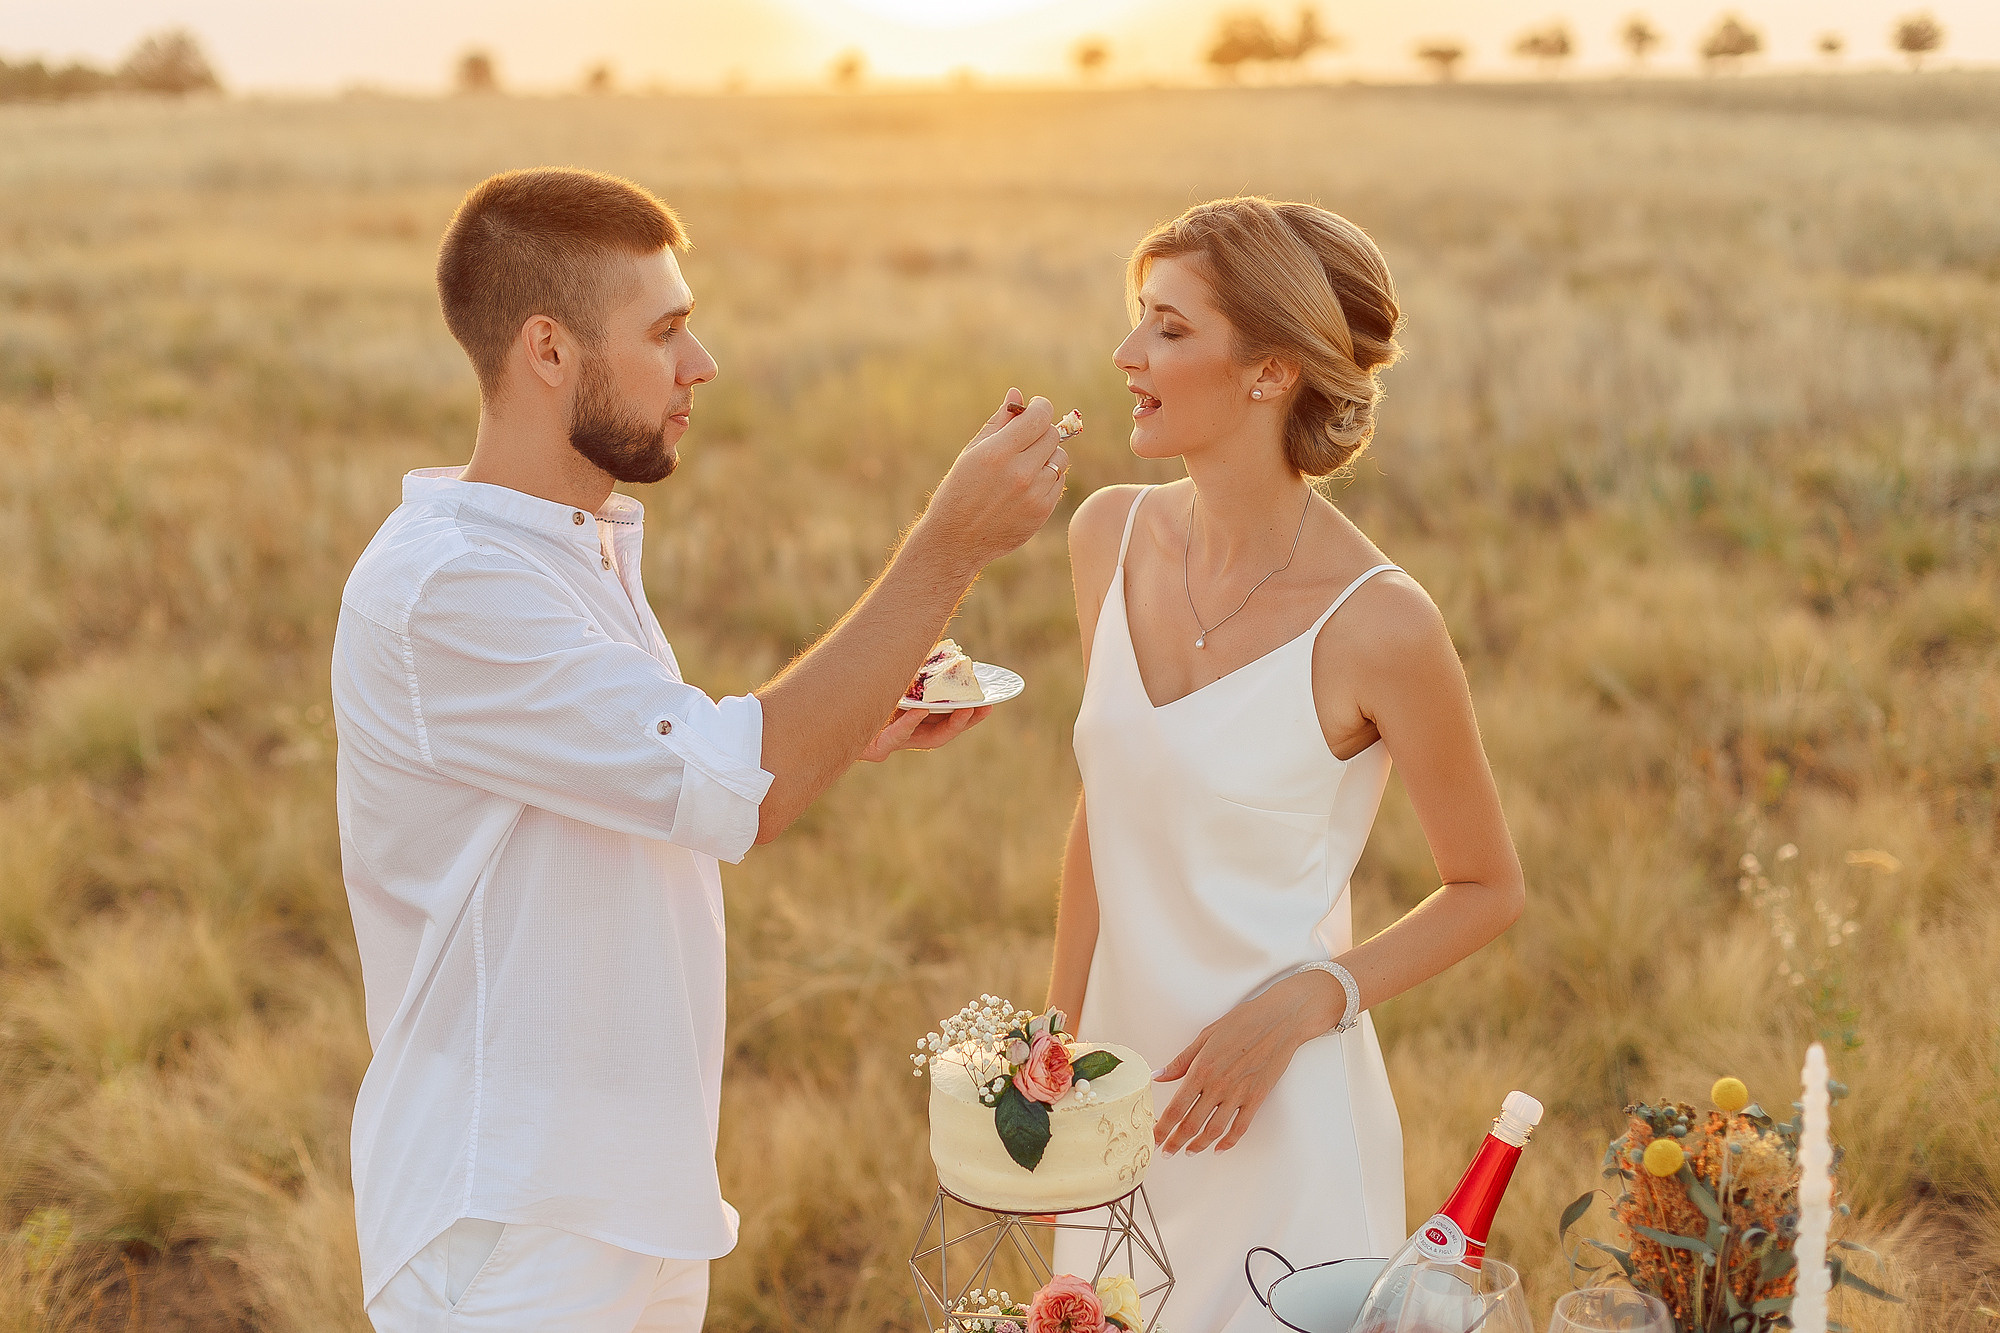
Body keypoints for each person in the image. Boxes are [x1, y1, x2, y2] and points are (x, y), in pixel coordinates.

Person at [332, 168, 1071, 1332]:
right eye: (666, 330)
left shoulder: (573, 547)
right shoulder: (451, 585)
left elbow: (667, 774)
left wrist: (849, 723)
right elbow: (742, 788)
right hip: (514, 1222)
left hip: (627, 1198)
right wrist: (949, 547)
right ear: (546, 349)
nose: (701, 362)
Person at [1046, 197, 1525, 1331]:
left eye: (1167, 329)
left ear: (1267, 371)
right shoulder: (1104, 536)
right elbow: (1107, 812)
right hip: (1117, 1098)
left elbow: (1487, 886)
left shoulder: (1379, 623)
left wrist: (1317, 993)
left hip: (1282, 1117)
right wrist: (1053, 1047)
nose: (1126, 355)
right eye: (1135, 320)